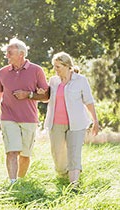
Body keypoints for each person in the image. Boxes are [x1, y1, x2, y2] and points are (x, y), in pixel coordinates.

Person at [0, 38, 49, 185]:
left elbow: (46, 96)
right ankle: (13, 182)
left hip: (29, 118)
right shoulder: (2, 73)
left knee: (25, 155)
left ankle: (21, 182)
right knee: (11, 152)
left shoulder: (37, 70)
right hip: (8, 117)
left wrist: (29, 94)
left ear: (21, 54)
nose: (7, 56)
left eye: (9, 53)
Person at [38, 52, 99, 187]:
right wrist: (41, 94)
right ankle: (63, 176)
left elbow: (88, 101)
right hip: (56, 124)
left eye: (58, 67)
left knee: (74, 153)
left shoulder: (81, 80)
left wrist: (95, 120)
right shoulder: (53, 81)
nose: (55, 70)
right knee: (58, 156)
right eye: (54, 66)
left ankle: (74, 185)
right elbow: (48, 97)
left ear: (67, 66)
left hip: (76, 124)